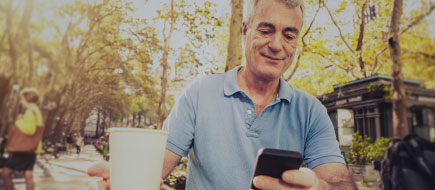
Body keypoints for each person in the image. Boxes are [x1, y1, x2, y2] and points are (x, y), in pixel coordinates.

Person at [89, 0, 357, 189]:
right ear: (244, 30)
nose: (277, 45)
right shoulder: (198, 94)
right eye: (266, 30)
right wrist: (120, 179)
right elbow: (149, 171)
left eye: (289, 35)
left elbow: (340, 184)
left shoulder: (311, 112)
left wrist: (319, 188)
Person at [2, 88, 44, 190]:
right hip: (32, 148)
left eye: (22, 99)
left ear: (27, 99)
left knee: (5, 173)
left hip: (24, 148)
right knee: (28, 174)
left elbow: (30, 130)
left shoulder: (30, 111)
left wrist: (19, 121)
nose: (21, 102)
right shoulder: (36, 111)